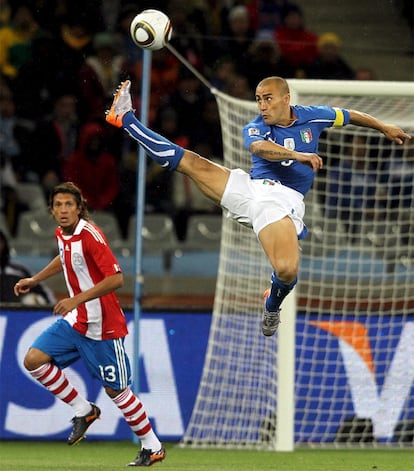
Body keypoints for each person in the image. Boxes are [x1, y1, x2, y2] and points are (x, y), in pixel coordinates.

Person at [105, 78, 411, 337]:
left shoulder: (314, 116)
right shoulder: (256, 127)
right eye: (258, 100)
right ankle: (125, 119)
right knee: (192, 164)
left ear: (286, 98)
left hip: (283, 200)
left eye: (268, 99)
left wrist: (383, 127)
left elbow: (349, 114)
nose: (262, 105)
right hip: (249, 188)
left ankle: (272, 303)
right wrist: (301, 157)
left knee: (288, 270)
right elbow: (259, 148)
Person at [13, 182, 165, 467]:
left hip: (102, 325)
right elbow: (66, 257)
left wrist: (75, 299)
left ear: (79, 207)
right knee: (34, 360)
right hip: (77, 320)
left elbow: (117, 278)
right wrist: (36, 279)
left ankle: (152, 446)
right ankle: (83, 410)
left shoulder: (90, 235)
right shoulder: (62, 234)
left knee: (116, 390)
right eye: (58, 205)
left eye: (69, 205)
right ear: (51, 210)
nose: (63, 210)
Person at [0, 230, 55, 304]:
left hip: (18, 313)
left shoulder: (19, 271)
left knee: (31, 300)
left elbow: (45, 294)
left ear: (4, 244)